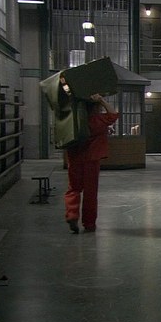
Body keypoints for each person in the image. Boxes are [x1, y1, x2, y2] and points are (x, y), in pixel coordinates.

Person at [65, 93, 118, 234]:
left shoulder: (72, 121)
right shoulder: (97, 120)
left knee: (73, 188)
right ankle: (89, 223)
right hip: (92, 159)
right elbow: (113, 114)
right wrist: (101, 100)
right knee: (90, 192)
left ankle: (72, 215)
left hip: (74, 157)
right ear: (95, 107)